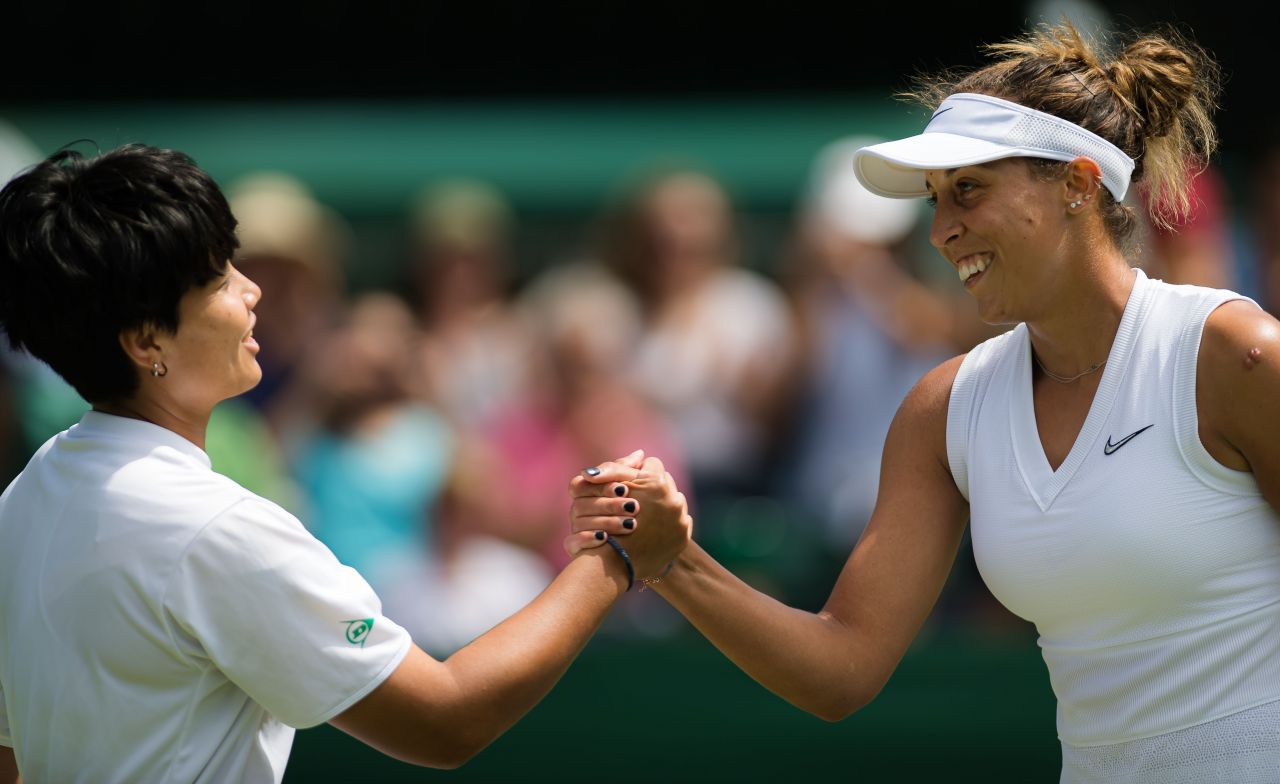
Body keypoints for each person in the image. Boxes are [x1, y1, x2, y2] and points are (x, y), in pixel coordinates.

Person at [572, 21, 1280, 781]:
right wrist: (672, 562)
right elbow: (841, 667)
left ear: (1078, 184)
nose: (942, 232)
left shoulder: (1234, 356)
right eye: (936, 200)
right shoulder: (945, 412)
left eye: (968, 190)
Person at [0, 144, 692, 783]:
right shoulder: (215, 529)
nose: (251, 291)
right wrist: (615, 555)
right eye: (216, 277)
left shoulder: (25, 498)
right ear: (147, 340)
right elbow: (446, 719)